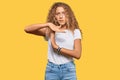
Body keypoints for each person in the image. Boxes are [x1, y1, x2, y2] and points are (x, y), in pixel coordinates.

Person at [24, 2, 82, 80]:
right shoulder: (50, 31)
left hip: (68, 70)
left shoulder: (74, 31)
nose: (61, 16)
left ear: (68, 15)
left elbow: (77, 54)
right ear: (55, 17)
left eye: (63, 13)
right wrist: (48, 24)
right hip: (52, 70)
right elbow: (27, 29)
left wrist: (57, 47)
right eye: (58, 14)